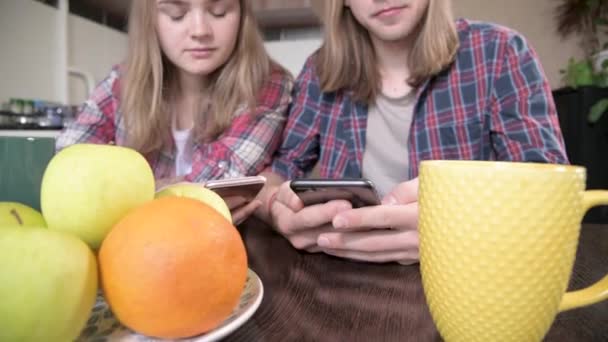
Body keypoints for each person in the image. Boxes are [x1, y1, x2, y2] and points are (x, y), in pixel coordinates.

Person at [255, 0, 568, 264]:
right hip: (348, 277)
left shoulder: (500, 53)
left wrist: (461, 226)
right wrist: (275, 208)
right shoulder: (318, 71)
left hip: (469, 278)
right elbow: (278, 174)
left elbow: (554, 192)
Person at [56, 0, 293, 223]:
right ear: (150, 20)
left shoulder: (266, 85)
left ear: (242, 16)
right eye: (176, 14)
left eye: (219, 10)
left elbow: (222, 181)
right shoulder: (121, 83)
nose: (200, 30)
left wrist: (130, 192)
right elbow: (67, 164)